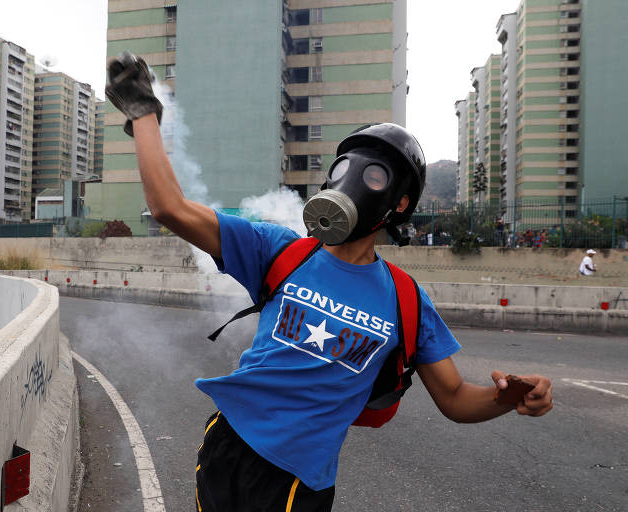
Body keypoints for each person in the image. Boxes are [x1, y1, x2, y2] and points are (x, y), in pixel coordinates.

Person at [106, 52, 553, 511]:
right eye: (344, 169)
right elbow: (170, 208)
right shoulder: (281, 251)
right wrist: (144, 113)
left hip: (297, 480)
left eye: (373, 176)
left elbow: (457, 398)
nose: (351, 182)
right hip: (227, 447)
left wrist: (508, 398)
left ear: (399, 204)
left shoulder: (405, 300)